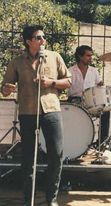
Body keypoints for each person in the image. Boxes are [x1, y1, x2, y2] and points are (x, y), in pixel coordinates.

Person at [1, 25, 72, 206]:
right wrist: (7, 89)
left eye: (43, 37)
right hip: (28, 112)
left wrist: (52, 82)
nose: (43, 40)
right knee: (28, 157)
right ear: (28, 41)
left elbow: (69, 81)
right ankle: (29, 198)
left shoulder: (54, 57)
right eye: (38, 37)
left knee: (56, 154)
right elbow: (5, 87)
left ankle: (52, 198)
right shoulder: (17, 62)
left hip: (51, 111)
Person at [67, 45, 110, 145]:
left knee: (105, 112)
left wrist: (100, 85)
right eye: (88, 56)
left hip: (90, 101)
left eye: (91, 56)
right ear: (80, 56)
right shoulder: (70, 71)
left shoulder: (94, 71)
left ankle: (102, 142)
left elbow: (99, 85)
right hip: (75, 101)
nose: (91, 58)